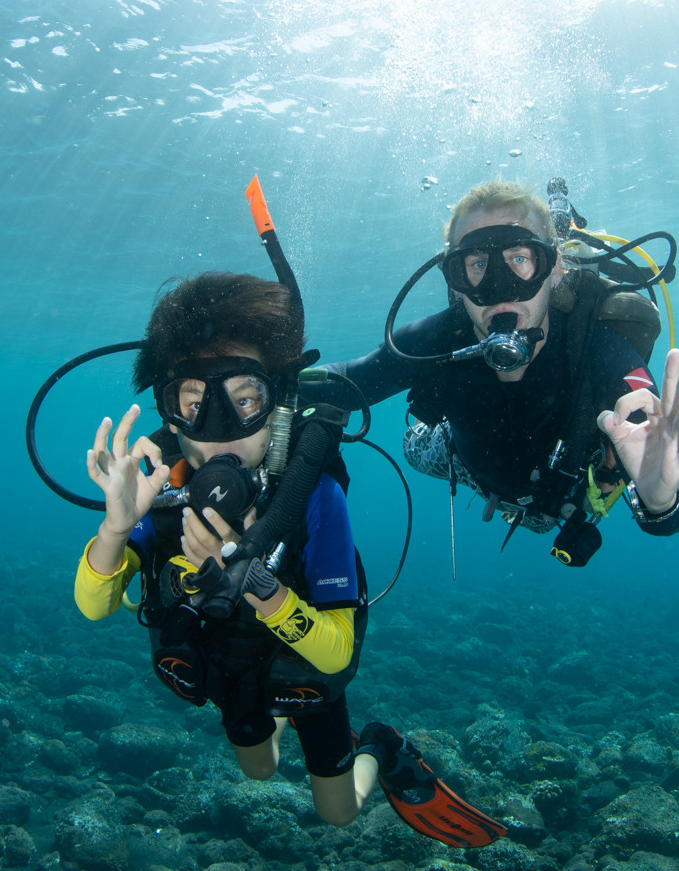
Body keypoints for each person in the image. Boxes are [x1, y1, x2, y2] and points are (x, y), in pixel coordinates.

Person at [72, 271, 506, 847]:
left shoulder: (313, 496)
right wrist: (115, 528)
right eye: (194, 403)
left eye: (244, 399)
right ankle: (278, 719)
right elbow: (93, 606)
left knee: (339, 813)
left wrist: (255, 583)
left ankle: (379, 745)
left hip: (306, 673)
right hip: (230, 671)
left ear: (277, 402)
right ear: (167, 409)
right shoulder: (162, 494)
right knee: (259, 772)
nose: (218, 432)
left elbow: (336, 651)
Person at [317, 179, 679, 566]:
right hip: (466, 464)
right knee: (412, 446)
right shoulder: (436, 339)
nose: (500, 289)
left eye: (520, 258)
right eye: (478, 264)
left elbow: (668, 514)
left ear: (554, 270)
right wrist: (266, 382)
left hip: (563, 494)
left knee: (547, 515)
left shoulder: (599, 351)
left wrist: (659, 501)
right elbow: (347, 381)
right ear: (456, 281)